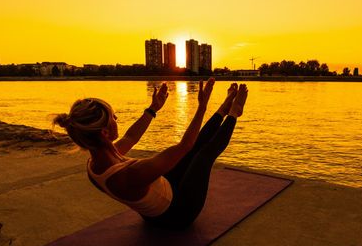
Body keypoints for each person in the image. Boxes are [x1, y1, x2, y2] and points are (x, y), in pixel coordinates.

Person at [53, 78, 248, 229]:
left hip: (160, 202)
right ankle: (234, 112)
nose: (117, 117)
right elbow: (185, 145)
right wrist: (202, 106)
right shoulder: (130, 174)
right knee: (202, 155)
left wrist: (153, 108)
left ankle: (223, 110)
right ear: (104, 133)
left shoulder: (97, 162)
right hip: (178, 214)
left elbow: (130, 137)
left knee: (191, 152)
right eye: (113, 117)